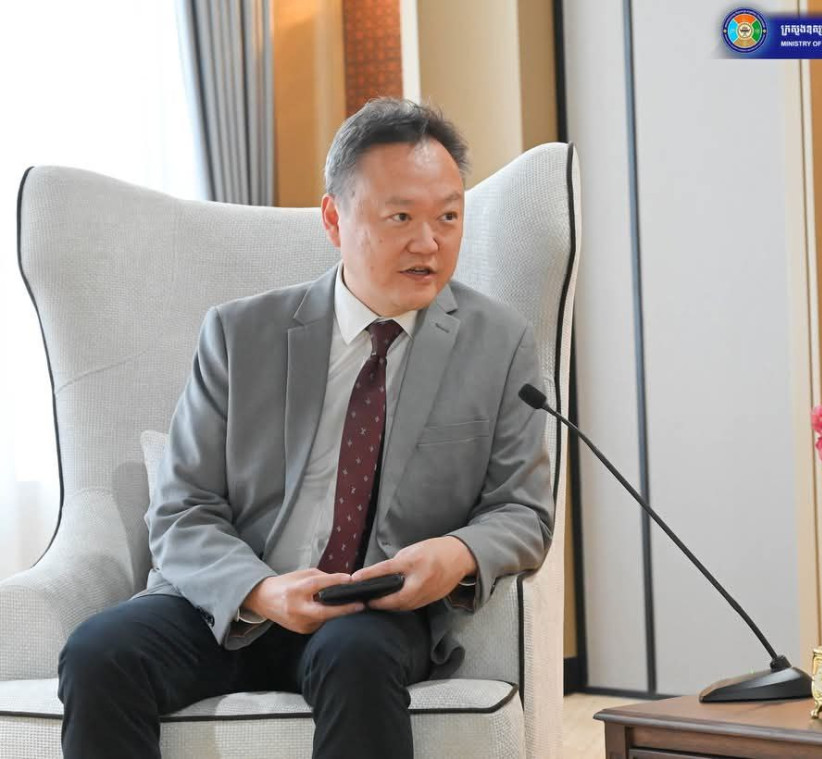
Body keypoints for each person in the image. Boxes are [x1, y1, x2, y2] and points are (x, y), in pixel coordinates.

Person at [57, 98, 554, 759]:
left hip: (370, 613)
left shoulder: (499, 343)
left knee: (358, 657)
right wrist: (261, 590)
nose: (429, 242)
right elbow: (182, 508)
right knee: (98, 652)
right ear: (333, 219)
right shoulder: (241, 335)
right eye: (401, 216)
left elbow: (523, 509)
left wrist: (456, 553)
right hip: (229, 601)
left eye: (448, 216)